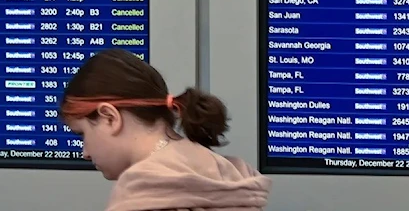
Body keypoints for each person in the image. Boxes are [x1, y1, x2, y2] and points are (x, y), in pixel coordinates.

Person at [59, 48, 272, 211]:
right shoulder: (231, 173)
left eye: (82, 134)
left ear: (109, 118)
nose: (85, 152)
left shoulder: (142, 191)